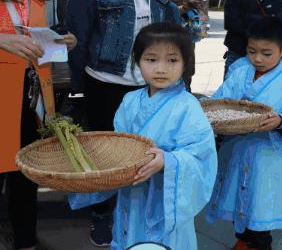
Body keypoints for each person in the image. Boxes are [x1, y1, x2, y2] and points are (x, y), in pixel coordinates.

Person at [66, 0, 180, 246]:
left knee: (144, 150)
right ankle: (102, 214)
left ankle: (137, 212)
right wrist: (79, 87)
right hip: (105, 84)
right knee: (105, 156)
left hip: (148, 85)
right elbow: (78, 41)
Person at [69, 23, 217, 250]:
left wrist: (169, 161)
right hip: (132, 192)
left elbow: (201, 156)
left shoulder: (188, 106)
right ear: (137, 61)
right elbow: (120, 144)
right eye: (151, 59)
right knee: (130, 236)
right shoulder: (130, 101)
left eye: (172, 60)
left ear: (186, 63)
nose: (161, 69)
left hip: (164, 198)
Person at [206, 17, 282, 250]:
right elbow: (220, 99)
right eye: (251, 51)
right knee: (238, 194)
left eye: (267, 53)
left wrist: (281, 121)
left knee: (260, 201)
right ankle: (244, 237)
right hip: (236, 148)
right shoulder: (240, 73)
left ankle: (259, 242)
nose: (257, 59)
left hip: (266, 154)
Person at [0, 0, 77, 249]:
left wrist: (57, 41)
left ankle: (26, 240)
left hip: (30, 89)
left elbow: (29, 28)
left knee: (27, 169)